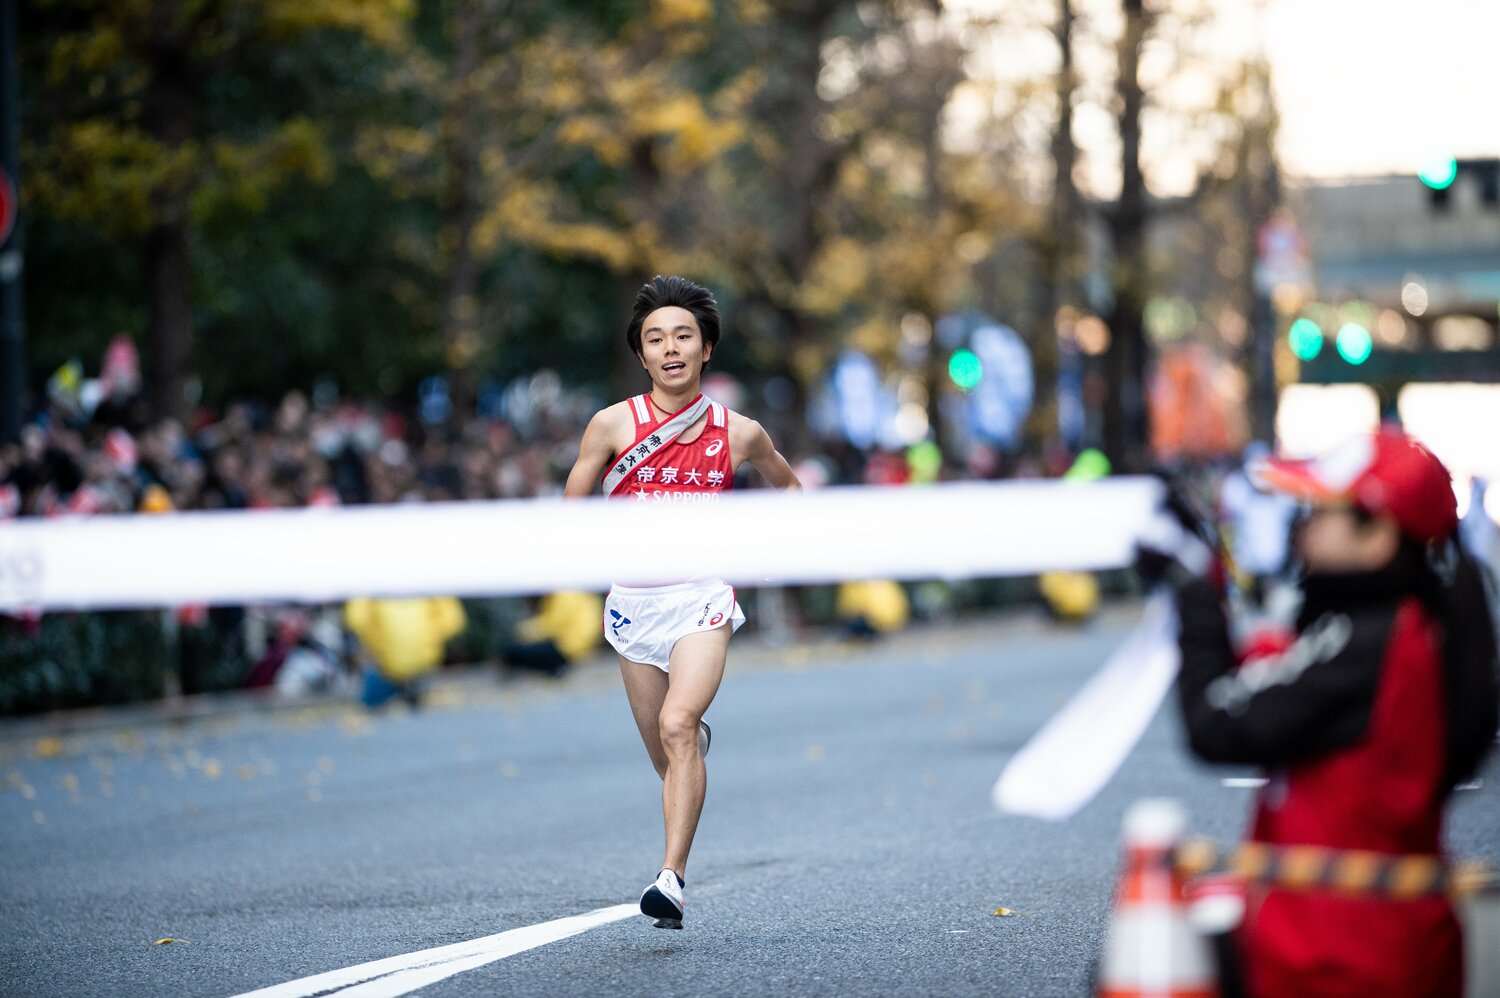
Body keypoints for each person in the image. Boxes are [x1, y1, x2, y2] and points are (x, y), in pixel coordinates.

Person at [1136, 430, 1499, 997]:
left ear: (1378, 536)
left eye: (1320, 510)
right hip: (1354, 947)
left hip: (1342, 963)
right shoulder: (1395, 629)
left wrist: (1193, 598)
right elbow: (1270, 670)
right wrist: (1208, 567)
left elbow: (1219, 721)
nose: (1301, 523)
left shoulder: (1373, 642)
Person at [563, 275, 801, 929]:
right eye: (656, 339)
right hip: (632, 606)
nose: (671, 349)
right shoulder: (610, 425)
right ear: (641, 355)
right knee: (667, 756)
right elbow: (568, 513)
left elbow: (792, 493)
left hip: (702, 596)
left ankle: (671, 880)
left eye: (684, 337)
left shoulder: (739, 432)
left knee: (677, 726)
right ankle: (690, 752)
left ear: (707, 349)